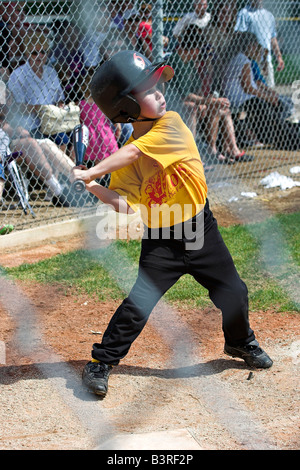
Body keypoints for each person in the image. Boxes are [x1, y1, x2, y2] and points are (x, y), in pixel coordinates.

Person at [71, 50, 273, 398]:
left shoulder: (171, 124)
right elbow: (126, 204)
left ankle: (240, 342)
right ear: (126, 108)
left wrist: (92, 169)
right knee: (138, 304)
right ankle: (101, 362)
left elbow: (135, 153)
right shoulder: (126, 154)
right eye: (148, 91)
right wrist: (94, 188)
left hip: (200, 230)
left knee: (234, 292)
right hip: (161, 238)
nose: (160, 92)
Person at [166, 27, 251, 164]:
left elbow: (197, 88)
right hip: (175, 104)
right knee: (193, 106)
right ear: (194, 49)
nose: (199, 54)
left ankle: (221, 150)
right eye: (198, 49)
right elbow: (185, 95)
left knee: (222, 109)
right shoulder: (176, 61)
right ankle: (191, 154)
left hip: (191, 101)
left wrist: (210, 101)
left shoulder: (189, 63)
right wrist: (207, 101)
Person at [221, 32, 299, 150]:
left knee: (279, 103)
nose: (257, 50)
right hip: (240, 98)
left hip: (240, 97)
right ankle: (285, 138)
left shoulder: (240, 57)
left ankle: (286, 134)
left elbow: (253, 84)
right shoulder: (243, 59)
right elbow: (248, 87)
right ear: (250, 46)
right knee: (269, 105)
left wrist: (268, 94)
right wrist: (267, 97)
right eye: (255, 47)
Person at [7, 30, 70, 151]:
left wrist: (59, 108)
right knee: (62, 140)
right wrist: (42, 109)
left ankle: (71, 168)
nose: (40, 56)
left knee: (79, 132)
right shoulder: (18, 75)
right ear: (27, 54)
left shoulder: (51, 72)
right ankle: (61, 169)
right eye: (35, 53)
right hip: (31, 125)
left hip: (53, 122)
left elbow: (60, 98)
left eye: (43, 52)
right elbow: (18, 107)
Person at [0, 120, 74, 207]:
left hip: (10, 139)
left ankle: (79, 180)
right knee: (31, 145)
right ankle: (58, 191)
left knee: (46, 143)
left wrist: (14, 128)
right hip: (5, 147)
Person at [234, 0, 284, 88]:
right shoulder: (244, 13)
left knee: (269, 91)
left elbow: (272, 38)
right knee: (254, 92)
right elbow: (239, 36)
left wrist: (279, 57)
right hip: (250, 61)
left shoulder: (269, 15)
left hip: (266, 60)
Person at [78, 69, 119, 165]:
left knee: (97, 161)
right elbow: (114, 117)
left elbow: (79, 121)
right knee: (106, 160)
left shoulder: (81, 104)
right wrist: (118, 129)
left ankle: (99, 177)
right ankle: (104, 177)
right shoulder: (102, 102)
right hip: (105, 134)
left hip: (90, 136)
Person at [50, 20, 85, 103]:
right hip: (61, 89)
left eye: (75, 32)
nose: (72, 35)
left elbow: (82, 75)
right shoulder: (56, 51)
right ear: (62, 35)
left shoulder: (78, 54)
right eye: (68, 32)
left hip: (76, 89)